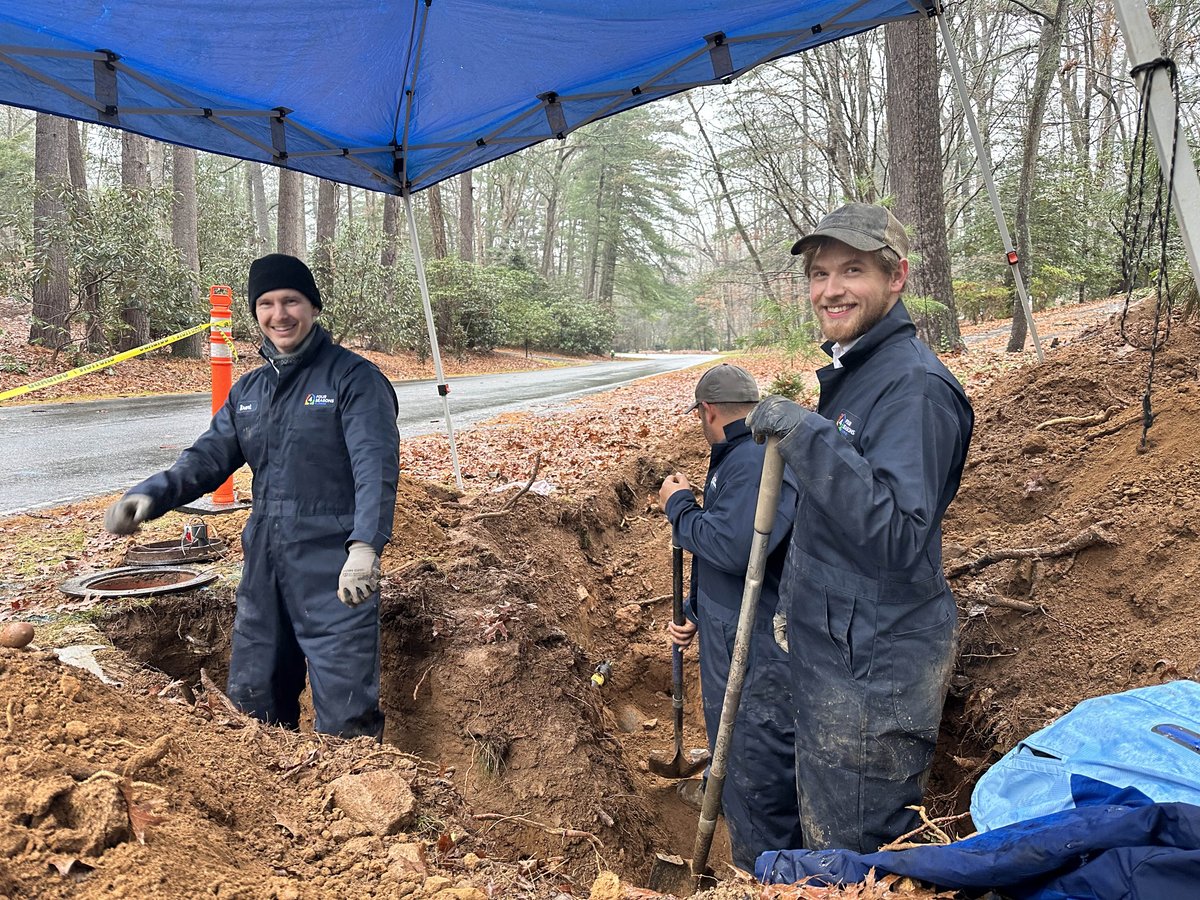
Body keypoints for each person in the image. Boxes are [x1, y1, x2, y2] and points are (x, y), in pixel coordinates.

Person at [746, 203, 974, 854]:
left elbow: (900, 533)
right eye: (819, 274)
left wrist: (809, 437)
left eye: (852, 270)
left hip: (874, 672)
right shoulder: (858, 371)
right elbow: (837, 517)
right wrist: (795, 604)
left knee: (855, 856)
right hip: (839, 647)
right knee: (829, 838)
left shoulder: (915, 389)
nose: (830, 289)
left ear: (896, 277)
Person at [104, 253, 400, 739]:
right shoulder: (250, 390)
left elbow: (376, 469)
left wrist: (364, 547)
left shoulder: (353, 380)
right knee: (252, 704)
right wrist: (150, 497)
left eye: (291, 301)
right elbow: (207, 457)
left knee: (346, 714)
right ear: (255, 312)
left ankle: (355, 806)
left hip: (332, 563)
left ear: (314, 307)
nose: (279, 314)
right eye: (266, 303)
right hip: (263, 562)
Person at [657, 363, 804, 871]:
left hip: (757, 640)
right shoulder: (735, 457)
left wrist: (678, 508)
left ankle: (764, 867)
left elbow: (735, 546)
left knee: (753, 747)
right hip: (726, 626)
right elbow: (728, 549)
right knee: (729, 730)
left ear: (708, 410)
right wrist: (696, 610)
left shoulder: (754, 460)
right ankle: (724, 800)